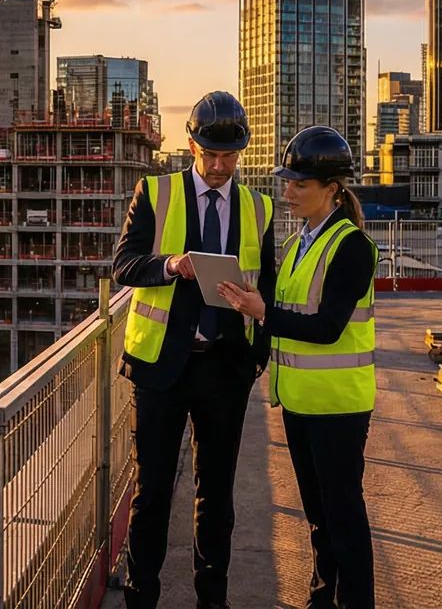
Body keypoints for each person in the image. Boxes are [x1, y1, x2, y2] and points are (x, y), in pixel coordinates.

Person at [111, 91, 277, 609]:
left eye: (230, 156)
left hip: (224, 370)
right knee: (153, 492)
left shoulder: (259, 206)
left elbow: (267, 288)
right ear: (191, 146)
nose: (221, 166)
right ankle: (142, 595)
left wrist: (254, 360)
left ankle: (213, 598)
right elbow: (123, 265)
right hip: (160, 370)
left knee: (216, 496)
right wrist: (171, 264)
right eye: (211, 155)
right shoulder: (154, 192)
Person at [217, 126, 376, 609]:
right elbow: (285, 318)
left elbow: (327, 327)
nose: (286, 193)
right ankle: (321, 600)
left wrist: (261, 311)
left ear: (332, 189)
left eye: (298, 185)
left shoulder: (351, 246)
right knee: (318, 517)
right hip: (300, 402)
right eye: (286, 182)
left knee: (343, 518)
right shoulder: (299, 243)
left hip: (337, 407)